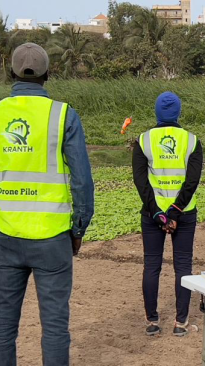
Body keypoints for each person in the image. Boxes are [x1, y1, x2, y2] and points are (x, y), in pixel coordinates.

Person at [0, 43, 94, 366]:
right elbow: (81, 180)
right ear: (47, 74)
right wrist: (79, 228)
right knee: (54, 328)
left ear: (10, 73)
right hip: (53, 239)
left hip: (4, 237)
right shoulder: (63, 115)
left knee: (2, 329)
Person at [132, 91, 203, 336]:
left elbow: (140, 182)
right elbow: (192, 181)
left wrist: (157, 213)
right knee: (182, 266)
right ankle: (180, 324)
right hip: (183, 214)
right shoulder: (192, 140)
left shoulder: (143, 140)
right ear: (178, 113)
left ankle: (152, 321)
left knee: (152, 265)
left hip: (153, 215)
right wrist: (175, 211)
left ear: (157, 112)